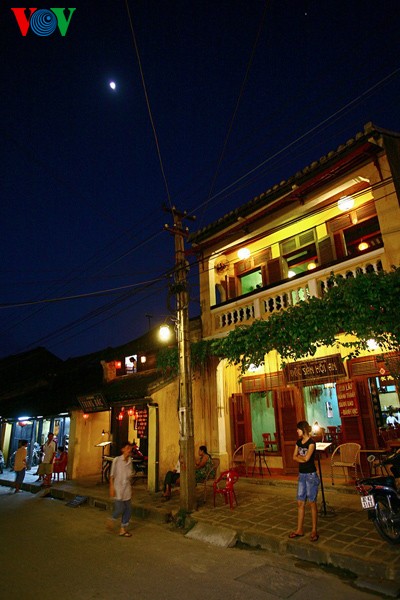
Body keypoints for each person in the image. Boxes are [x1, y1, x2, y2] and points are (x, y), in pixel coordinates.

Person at [289, 421, 320, 543]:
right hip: (302, 475)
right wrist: (302, 458)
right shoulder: (298, 442)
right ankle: (299, 529)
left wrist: (300, 458)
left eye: (298, 429)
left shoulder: (311, 443)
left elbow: (307, 458)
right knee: (300, 502)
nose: (297, 431)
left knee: (312, 502)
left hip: (311, 475)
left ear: (303, 429)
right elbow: (294, 456)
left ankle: (314, 530)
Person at [107, 441, 134, 537]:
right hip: (118, 487)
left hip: (127, 488)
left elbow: (129, 474)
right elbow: (112, 475)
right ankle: (112, 518)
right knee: (120, 508)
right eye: (127, 448)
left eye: (130, 449)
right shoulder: (117, 460)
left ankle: (122, 529)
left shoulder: (130, 461)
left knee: (128, 509)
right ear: (122, 449)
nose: (129, 450)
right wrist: (111, 487)